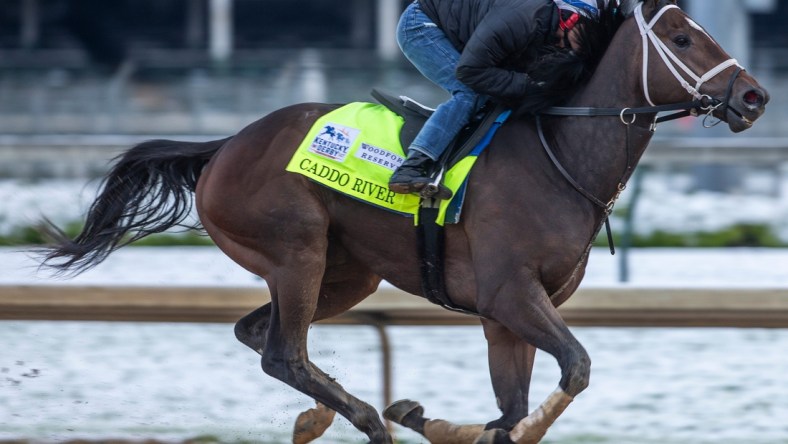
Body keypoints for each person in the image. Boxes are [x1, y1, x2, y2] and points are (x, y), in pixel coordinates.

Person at [388, 0, 613, 196]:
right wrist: (529, 85)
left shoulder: (553, 35)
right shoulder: (522, 18)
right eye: (588, 38)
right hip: (420, 25)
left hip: (461, 31)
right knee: (469, 93)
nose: (589, 48)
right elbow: (469, 71)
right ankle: (412, 167)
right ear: (573, 19)